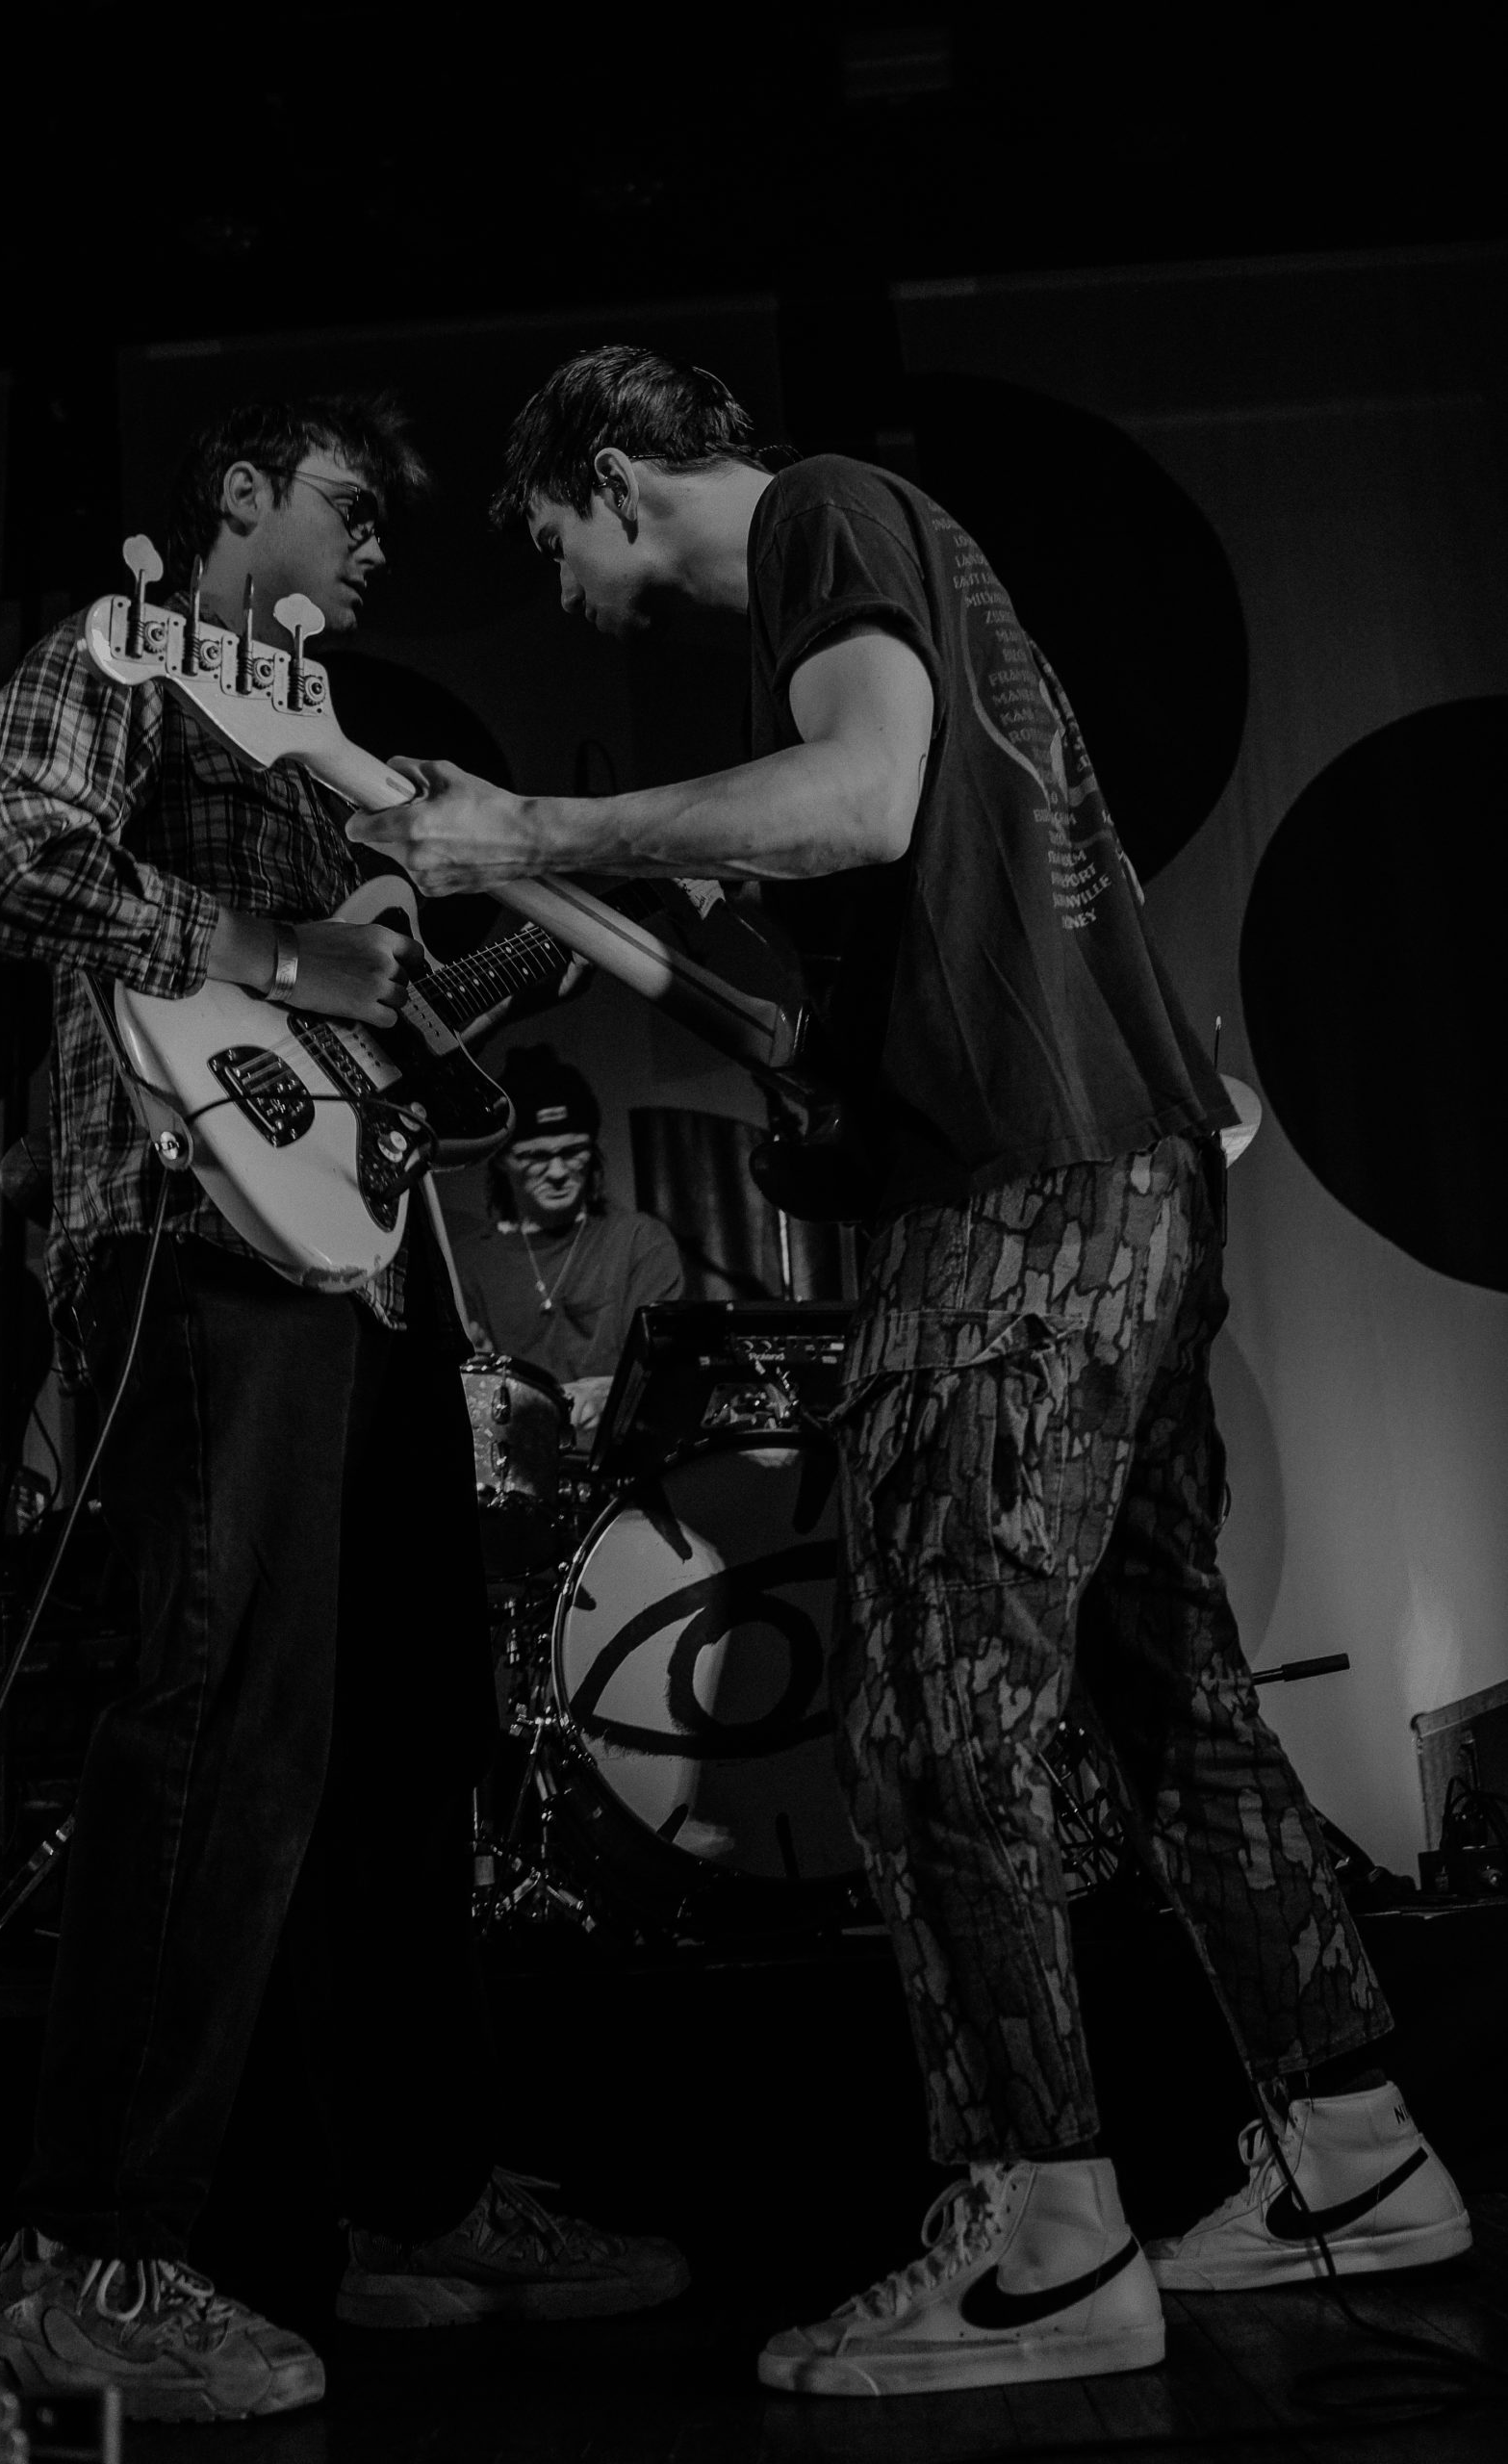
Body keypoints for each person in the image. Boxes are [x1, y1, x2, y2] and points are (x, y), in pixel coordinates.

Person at [350, 346, 1470, 2401]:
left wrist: (532, 816)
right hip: (1109, 1177)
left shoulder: (820, 516)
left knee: (933, 1708)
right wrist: (558, 885)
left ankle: (1044, 2241)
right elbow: (838, 941)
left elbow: (856, 796)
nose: (560, 588)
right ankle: (1353, 2150)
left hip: (1020, 1204)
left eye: (549, 539)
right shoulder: (872, 576)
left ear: (612, 476)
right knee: (1163, 1698)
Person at [0, 394, 686, 2426]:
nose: (378, 547)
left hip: (370, 1259)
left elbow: (365, 1021)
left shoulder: (324, 751)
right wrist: (257, 941)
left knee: (401, 1730)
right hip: (190, 1233)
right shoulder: (128, 658)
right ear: (236, 501)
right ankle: (87, 2255)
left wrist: (502, 957)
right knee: (216, 1707)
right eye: (349, 506)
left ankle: (407, 2198)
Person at [446, 1043, 683, 1451]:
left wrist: (613, 1392)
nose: (557, 1171)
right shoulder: (467, 1262)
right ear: (500, 1159)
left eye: (572, 1152)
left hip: (619, 1467)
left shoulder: (639, 1241)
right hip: (517, 1467)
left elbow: (668, 1373)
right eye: (535, 1156)